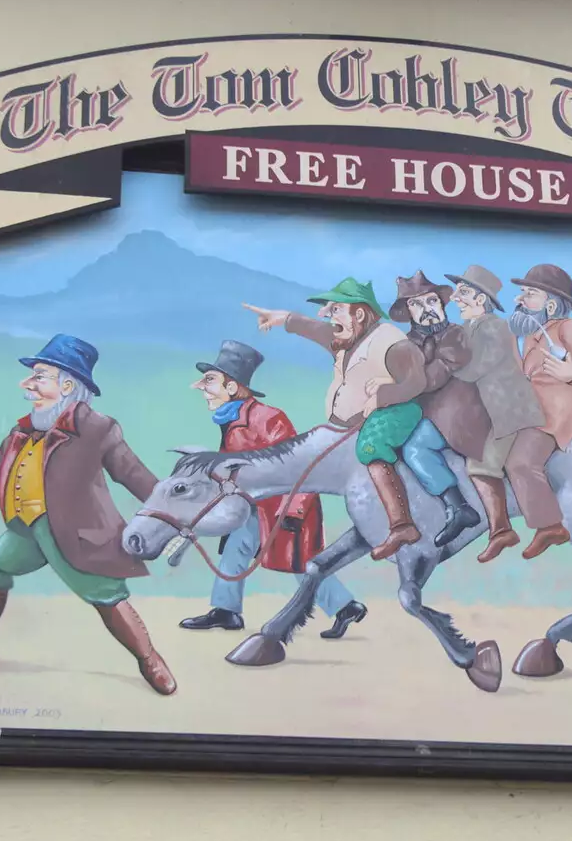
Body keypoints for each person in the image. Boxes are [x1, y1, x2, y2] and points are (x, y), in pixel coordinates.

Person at [0, 334, 176, 695]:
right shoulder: (26, 428)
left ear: (67, 384)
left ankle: (150, 660)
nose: (28, 384)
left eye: (39, 375)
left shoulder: (97, 428)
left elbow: (133, 474)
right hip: (27, 528)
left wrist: (172, 512)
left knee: (106, 595)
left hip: (75, 534)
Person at [179, 340, 368, 638]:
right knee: (235, 547)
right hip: (254, 505)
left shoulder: (266, 418)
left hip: (284, 504)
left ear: (232, 387)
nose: (202, 387)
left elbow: (299, 464)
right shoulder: (231, 420)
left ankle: (345, 607)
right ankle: (226, 611)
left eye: (210, 381)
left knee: (300, 564)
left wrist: (292, 512)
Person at [243, 277, 428, 561]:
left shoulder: (392, 344)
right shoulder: (347, 339)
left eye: (336, 309)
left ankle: (401, 524)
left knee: (371, 448)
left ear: (360, 313)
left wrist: (383, 396)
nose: (328, 316)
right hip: (343, 425)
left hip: (390, 413)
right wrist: (282, 318)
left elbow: (415, 383)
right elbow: (314, 328)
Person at [445, 264, 562, 562]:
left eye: (464, 292)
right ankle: (502, 530)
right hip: (493, 411)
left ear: (481, 299)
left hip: (509, 411)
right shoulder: (470, 327)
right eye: (458, 291)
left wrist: (443, 371)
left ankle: (508, 530)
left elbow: (476, 368)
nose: (456, 297)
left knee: (480, 466)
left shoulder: (494, 327)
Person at [389, 270, 489, 548]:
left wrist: (397, 389)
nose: (427, 310)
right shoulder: (406, 345)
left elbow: (434, 376)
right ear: (408, 313)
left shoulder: (458, 335)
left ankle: (458, 507)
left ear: (442, 304)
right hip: (427, 413)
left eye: (431, 302)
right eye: (417, 305)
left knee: (414, 448)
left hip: (460, 414)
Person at [507, 263, 572, 559]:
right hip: (529, 407)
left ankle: (549, 526)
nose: (521, 299)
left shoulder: (567, 328)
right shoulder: (531, 332)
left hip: (554, 409)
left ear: (552, 302)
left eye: (529, 294)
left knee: (521, 462)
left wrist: (570, 370)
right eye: (522, 293)